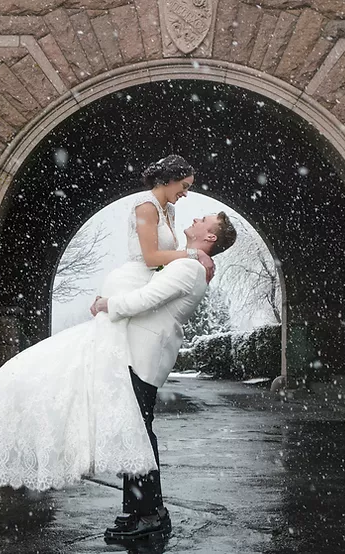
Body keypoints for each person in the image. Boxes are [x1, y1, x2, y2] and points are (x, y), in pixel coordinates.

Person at [0, 155, 212, 489]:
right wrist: (192, 254)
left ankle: (139, 499)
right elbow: (150, 257)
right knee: (96, 369)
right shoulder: (144, 207)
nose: (186, 194)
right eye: (185, 187)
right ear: (169, 179)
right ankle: (132, 492)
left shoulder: (170, 212)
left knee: (120, 389)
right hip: (133, 281)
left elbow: (162, 266)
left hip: (141, 288)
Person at [93, 212, 237, 542]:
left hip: (145, 355)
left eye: (205, 220)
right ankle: (139, 512)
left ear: (210, 237)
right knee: (136, 431)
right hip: (142, 353)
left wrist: (106, 304)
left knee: (138, 433)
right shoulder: (190, 262)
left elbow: (147, 299)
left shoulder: (189, 268)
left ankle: (150, 515)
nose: (197, 217)